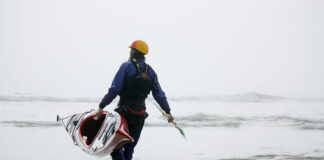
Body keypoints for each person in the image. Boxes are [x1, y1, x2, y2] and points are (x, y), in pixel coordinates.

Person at [96, 40, 174, 160]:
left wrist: (101, 106)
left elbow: (115, 89)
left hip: (123, 114)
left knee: (116, 148)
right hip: (139, 116)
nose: (129, 52)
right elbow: (159, 94)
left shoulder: (126, 66)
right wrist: (167, 110)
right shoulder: (151, 71)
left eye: (131, 49)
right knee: (129, 149)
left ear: (134, 51)